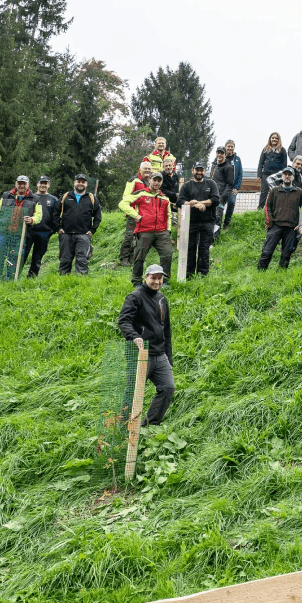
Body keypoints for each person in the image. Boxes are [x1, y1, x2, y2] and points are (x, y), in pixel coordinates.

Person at [117, 264, 176, 427]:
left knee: (168, 388)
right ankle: (122, 427)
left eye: (160, 278)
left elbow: (167, 330)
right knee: (133, 393)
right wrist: (134, 336)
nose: (157, 281)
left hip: (160, 354)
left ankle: (149, 426)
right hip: (141, 354)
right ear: (146, 278)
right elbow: (123, 320)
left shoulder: (162, 299)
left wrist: (168, 356)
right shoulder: (135, 297)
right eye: (153, 278)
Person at [129, 171, 173, 287]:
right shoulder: (141, 194)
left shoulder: (165, 198)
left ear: (162, 182)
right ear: (150, 181)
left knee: (167, 254)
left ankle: (165, 281)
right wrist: (135, 215)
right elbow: (123, 203)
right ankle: (137, 281)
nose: (157, 183)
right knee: (139, 257)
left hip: (161, 232)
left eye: (159, 180)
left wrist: (168, 230)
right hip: (143, 231)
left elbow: (168, 215)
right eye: (155, 180)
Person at [177, 160, 221, 276]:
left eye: (201, 170)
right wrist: (195, 204)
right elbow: (180, 201)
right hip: (190, 222)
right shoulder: (187, 186)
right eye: (197, 170)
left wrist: (201, 203)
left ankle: (203, 274)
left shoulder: (211, 184)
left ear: (204, 171)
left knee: (204, 248)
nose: (199, 172)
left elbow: (216, 199)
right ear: (193, 171)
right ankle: (189, 273)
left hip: (208, 222)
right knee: (190, 248)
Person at [258, 166, 302, 270]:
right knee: (266, 252)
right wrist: (269, 222)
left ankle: (281, 275)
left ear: (293, 177)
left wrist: (301, 223)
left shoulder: (299, 192)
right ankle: (260, 273)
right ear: (282, 176)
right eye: (286, 174)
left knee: (286, 255)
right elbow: (267, 207)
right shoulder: (274, 191)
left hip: (291, 228)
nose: (287, 176)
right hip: (275, 226)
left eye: (290, 175)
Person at [0, 175, 35, 281]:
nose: (21, 186)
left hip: (19, 234)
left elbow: (38, 215)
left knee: (14, 256)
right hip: (3, 232)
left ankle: (10, 278)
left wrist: (32, 219)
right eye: (19, 183)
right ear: (16, 184)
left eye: (24, 184)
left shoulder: (33, 199)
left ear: (28, 185)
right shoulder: (6, 196)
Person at [57, 173, 101, 276]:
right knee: (65, 259)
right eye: (78, 181)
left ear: (86, 184)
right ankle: (62, 280)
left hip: (84, 235)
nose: (80, 184)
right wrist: (58, 228)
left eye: (83, 182)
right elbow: (55, 213)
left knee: (82, 260)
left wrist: (92, 230)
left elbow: (98, 216)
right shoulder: (65, 196)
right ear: (74, 182)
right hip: (66, 234)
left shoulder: (91, 198)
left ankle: (80, 282)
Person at [19, 175, 61, 277]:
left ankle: (32, 278)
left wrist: (53, 230)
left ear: (48, 185)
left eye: (45, 183)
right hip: (29, 231)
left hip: (45, 232)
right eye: (41, 183)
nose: (43, 185)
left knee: (37, 257)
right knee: (22, 254)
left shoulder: (54, 199)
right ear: (37, 184)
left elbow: (56, 216)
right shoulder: (30, 197)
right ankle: (14, 275)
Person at [118, 162, 154, 265]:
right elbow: (126, 196)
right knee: (129, 236)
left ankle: (133, 259)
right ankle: (123, 259)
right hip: (133, 214)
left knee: (139, 238)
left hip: (145, 216)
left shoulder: (151, 182)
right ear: (140, 169)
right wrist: (129, 212)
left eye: (149, 169)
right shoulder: (133, 180)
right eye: (145, 169)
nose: (147, 171)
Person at [210, 146, 238, 240]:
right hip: (211, 195)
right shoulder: (214, 166)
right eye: (218, 153)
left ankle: (215, 238)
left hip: (221, 196)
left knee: (218, 216)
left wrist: (222, 198)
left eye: (222, 153)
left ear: (225, 155)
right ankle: (208, 236)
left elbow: (229, 185)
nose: (220, 155)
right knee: (210, 215)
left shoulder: (228, 168)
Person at [257, 132, 288, 209]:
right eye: (273, 138)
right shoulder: (265, 149)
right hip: (266, 174)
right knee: (264, 192)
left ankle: (277, 208)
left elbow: (284, 164)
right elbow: (261, 163)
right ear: (270, 139)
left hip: (277, 175)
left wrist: (283, 175)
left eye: (276, 138)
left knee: (277, 191)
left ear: (278, 140)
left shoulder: (282, 150)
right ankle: (260, 209)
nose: (274, 139)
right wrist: (259, 175)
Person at [221, 139, 243, 229]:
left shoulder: (237, 159)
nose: (230, 148)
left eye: (232, 147)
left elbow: (240, 174)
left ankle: (226, 223)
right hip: (222, 187)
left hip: (232, 187)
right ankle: (217, 222)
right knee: (219, 205)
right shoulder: (221, 157)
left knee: (231, 202)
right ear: (225, 147)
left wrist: (237, 187)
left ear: (234, 148)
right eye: (228, 146)